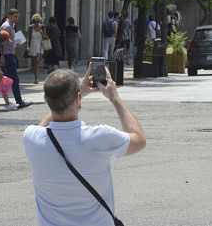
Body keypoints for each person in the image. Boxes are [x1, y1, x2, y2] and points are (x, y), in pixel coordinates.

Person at [23, 64, 146, 226]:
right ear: (77, 98)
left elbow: (44, 126)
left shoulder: (31, 137)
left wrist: (77, 93)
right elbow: (139, 140)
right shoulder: (100, 137)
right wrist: (114, 97)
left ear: (46, 99)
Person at [0, 9, 31, 109]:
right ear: (10, 16)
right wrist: (3, 56)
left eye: (18, 17)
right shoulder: (7, 26)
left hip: (9, 54)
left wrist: (14, 44)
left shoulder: (11, 26)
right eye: (15, 16)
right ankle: (19, 101)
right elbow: (0, 42)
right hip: (7, 56)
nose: (17, 19)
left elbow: (7, 42)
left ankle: (8, 102)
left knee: (2, 79)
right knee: (13, 79)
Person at [26, 14, 48, 84]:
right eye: (34, 22)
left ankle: (36, 79)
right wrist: (27, 46)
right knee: (34, 63)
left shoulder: (42, 27)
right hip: (32, 45)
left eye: (37, 21)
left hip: (39, 45)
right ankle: (35, 75)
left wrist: (42, 34)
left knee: (38, 62)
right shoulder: (31, 28)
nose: (36, 23)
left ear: (39, 21)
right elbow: (28, 37)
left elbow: (46, 37)